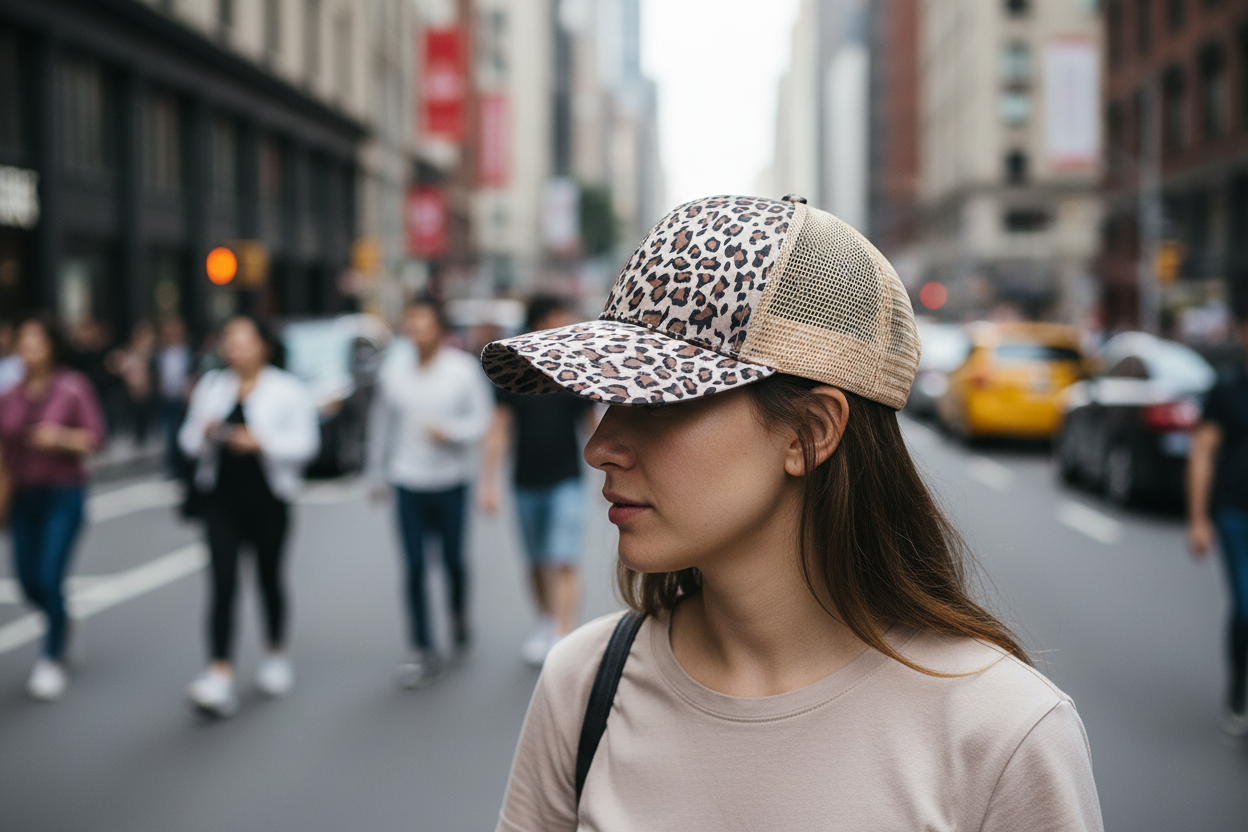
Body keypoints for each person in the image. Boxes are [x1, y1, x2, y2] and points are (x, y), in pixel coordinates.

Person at [481, 195, 1103, 830]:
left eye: (659, 402)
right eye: (610, 398)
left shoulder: (1004, 735)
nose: (600, 447)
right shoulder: (585, 687)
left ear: (809, 431)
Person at [178, 315, 319, 718]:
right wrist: (203, 434)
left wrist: (261, 442)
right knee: (222, 582)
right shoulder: (210, 387)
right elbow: (186, 441)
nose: (234, 347)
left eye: (243, 339)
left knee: (268, 577)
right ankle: (219, 671)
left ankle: (275, 652)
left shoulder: (286, 389)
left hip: (268, 500)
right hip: (220, 500)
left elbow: (306, 444)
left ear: (263, 346)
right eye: (229, 340)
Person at [367, 296, 493, 689]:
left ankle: (458, 615)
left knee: (453, 561)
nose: (416, 331)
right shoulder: (394, 371)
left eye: (424, 323)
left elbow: (482, 419)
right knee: (415, 565)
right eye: (411, 324)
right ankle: (421, 648)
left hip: (451, 481)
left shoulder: (462, 371)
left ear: (439, 328)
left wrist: (451, 433)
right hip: (407, 481)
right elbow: (380, 424)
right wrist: (376, 474)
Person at [480, 296, 597, 666]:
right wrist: (488, 482)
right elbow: (500, 427)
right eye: (558, 317)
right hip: (525, 479)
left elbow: (591, 424)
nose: (564, 323)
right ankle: (546, 623)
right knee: (534, 561)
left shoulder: (574, 368)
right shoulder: (513, 368)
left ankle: (563, 633)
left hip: (567, 479)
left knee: (562, 558)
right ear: (539, 321)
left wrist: (615, 471)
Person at [0, 313, 106, 701]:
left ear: (52, 348)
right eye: (22, 343)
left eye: (35, 342)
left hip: (63, 493)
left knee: (49, 577)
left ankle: (52, 655)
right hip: (23, 497)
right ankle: (60, 620)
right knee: (27, 582)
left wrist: (60, 439)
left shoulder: (73, 388)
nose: (27, 351)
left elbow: (97, 438)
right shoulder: (8, 396)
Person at [1188, 320, 1248, 737]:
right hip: (1235, 512)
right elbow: (1203, 454)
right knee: (1247, 606)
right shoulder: (1226, 390)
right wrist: (1198, 519)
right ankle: (1239, 691)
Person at [156, 317, 193, 477]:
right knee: (169, 433)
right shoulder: (161, 353)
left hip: (183, 399)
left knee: (181, 432)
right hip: (166, 398)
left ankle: (183, 466)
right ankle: (172, 466)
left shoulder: (188, 351)